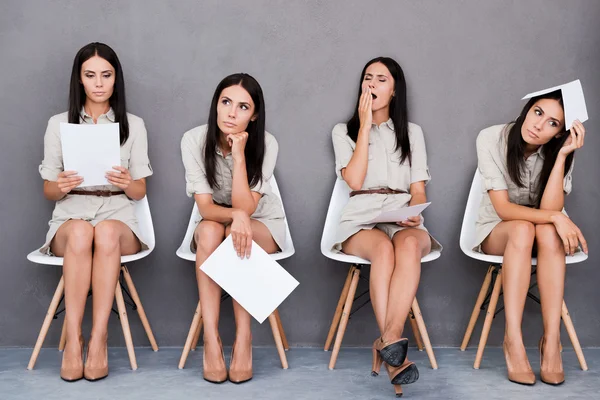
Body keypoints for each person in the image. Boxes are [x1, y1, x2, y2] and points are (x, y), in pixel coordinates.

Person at [39, 42, 153, 382]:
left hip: (118, 215)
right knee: (80, 231)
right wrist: (59, 185)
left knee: (103, 231)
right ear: (79, 80)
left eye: (106, 75)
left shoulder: (133, 125)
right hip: (71, 215)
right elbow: (47, 191)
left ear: (116, 80)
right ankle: (74, 339)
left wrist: (127, 180)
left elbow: (140, 191)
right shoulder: (58, 124)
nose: (99, 83)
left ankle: (99, 337)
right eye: (91, 75)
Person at [331, 57, 441, 396]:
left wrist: (414, 211)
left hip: (402, 211)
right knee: (382, 249)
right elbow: (353, 180)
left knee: (407, 245)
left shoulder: (412, 133)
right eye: (368, 78)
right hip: (361, 214)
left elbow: (418, 186)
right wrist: (364, 127)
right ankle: (394, 350)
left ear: (394, 91)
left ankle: (388, 340)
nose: (372, 85)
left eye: (381, 79)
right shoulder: (344, 131)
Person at [474, 82, 588, 385]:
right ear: (527, 109)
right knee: (525, 229)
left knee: (548, 233)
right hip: (497, 232)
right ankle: (513, 338)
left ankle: (551, 342)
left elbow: (552, 205)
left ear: (559, 133)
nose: (539, 125)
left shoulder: (557, 150)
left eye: (553, 123)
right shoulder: (491, 138)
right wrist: (555, 217)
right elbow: (503, 209)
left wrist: (563, 155)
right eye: (537, 112)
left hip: (542, 236)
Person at [181, 73, 285, 384]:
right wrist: (237, 217)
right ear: (216, 105)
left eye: (242, 107)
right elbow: (204, 208)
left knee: (229, 234)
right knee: (214, 231)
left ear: (254, 115)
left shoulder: (266, 143)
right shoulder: (193, 140)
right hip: (215, 220)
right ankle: (211, 339)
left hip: (263, 224)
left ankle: (244, 338)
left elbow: (249, 208)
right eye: (226, 102)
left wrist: (240, 157)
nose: (231, 113)